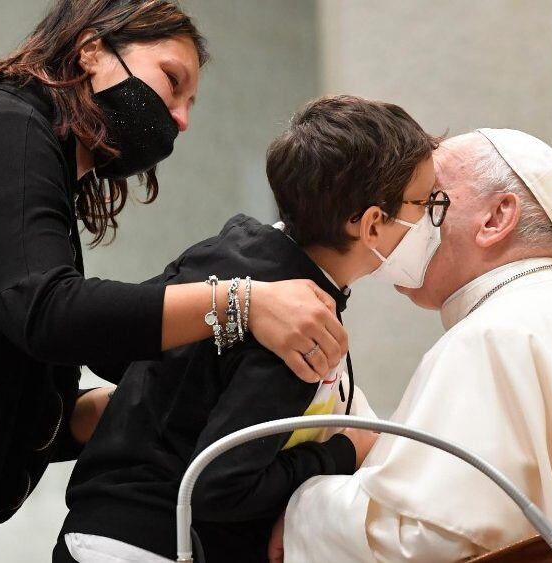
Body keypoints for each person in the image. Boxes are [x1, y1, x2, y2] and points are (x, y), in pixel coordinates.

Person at [0, 2, 348, 562]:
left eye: (191, 103)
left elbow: (23, 394)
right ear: (91, 50)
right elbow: (46, 312)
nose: (182, 119)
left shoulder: (8, 149)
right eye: (171, 81)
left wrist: (152, 407)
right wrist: (240, 303)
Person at [54, 95, 444, 563]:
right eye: (425, 203)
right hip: (150, 546)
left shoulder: (227, 251)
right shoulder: (300, 322)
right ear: (373, 225)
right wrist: (343, 452)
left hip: (91, 528)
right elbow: (220, 488)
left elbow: (117, 351)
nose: (432, 220)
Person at [277, 129, 552, 561]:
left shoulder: (492, 338)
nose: (405, 221)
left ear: (495, 219)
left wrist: (302, 506)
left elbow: (423, 544)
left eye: (430, 200)